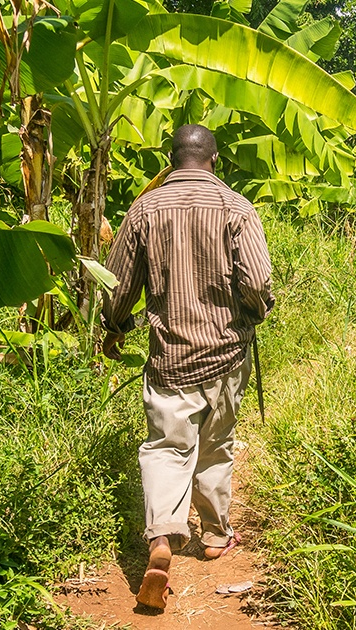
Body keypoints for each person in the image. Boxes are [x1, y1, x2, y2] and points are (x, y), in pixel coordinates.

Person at [100, 125, 274, 610]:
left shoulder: (145, 208)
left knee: (165, 449)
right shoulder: (236, 208)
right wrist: (256, 313)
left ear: (171, 159)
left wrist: (115, 326)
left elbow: (118, 285)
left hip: (169, 356)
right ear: (215, 160)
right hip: (225, 354)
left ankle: (161, 538)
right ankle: (216, 535)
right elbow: (257, 283)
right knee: (216, 447)